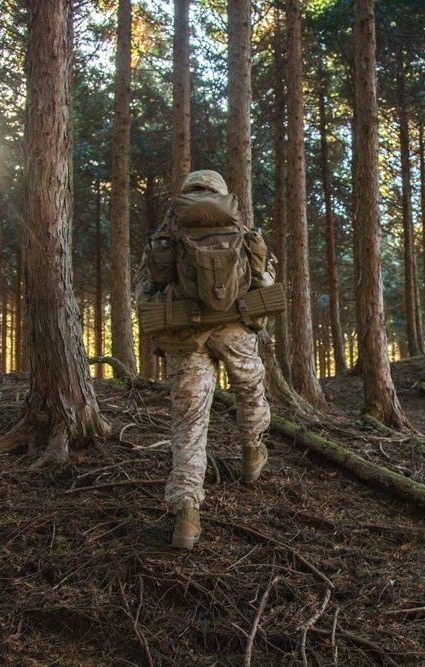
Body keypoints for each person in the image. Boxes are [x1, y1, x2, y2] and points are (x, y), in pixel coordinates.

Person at [138, 169, 271, 549]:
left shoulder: (169, 228)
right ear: (221, 192)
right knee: (250, 390)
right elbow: (263, 276)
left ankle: (186, 515)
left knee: (190, 421)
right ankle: (251, 452)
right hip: (235, 328)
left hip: (184, 334)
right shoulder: (237, 222)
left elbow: (146, 287)